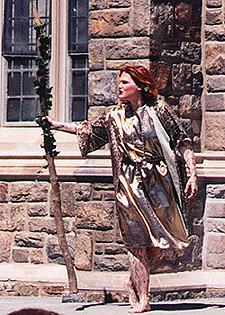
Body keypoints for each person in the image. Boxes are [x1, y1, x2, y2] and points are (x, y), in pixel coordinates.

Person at [43, 65, 198, 313]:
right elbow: (89, 131)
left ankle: (132, 281)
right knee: (136, 242)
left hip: (158, 183)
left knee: (159, 244)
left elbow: (182, 142)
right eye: (119, 82)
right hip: (129, 184)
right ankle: (143, 300)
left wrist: (192, 173)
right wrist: (55, 126)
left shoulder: (159, 111)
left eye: (125, 82)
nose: (119, 86)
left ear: (141, 86)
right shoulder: (115, 117)